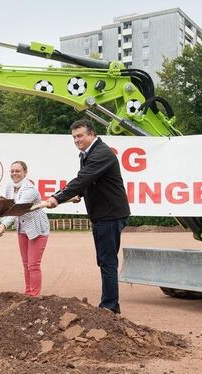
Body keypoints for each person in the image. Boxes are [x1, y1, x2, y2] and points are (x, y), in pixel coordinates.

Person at [46, 119, 130, 314]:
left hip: (110, 214)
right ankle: (109, 304)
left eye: (80, 136)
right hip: (101, 215)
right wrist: (79, 194)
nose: (77, 140)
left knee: (108, 260)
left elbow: (84, 178)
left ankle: (110, 307)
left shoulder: (101, 153)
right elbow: (90, 180)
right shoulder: (87, 153)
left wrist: (58, 197)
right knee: (103, 259)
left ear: (91, 134)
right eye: (74, 137)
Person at [0, 161, 49, 297]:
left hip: (37, 229)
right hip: (22, 229)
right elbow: (7, 207)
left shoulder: (30, 190)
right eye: (12, 171)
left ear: (25, 172)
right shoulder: (9, 186)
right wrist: (2, 223)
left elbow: (17, 209)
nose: (14, 174)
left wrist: (4, 225)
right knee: (26, 265)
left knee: (33, 265)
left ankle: (34, 296)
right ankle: (28, 294)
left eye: (18, 171)